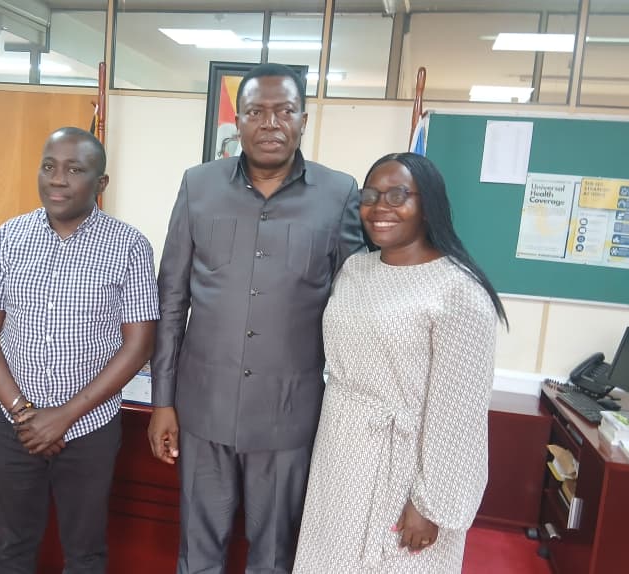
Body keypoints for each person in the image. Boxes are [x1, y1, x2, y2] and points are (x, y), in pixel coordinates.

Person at [148, 62, 366, 573]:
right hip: (203, 410)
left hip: (289, 416)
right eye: (257, 112)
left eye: (284, 110)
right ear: (239, 122)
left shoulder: (339, 195)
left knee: (273, 555)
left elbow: (355, 307)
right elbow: (171, 298)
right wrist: (163, 403)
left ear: (304, 120)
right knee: (197, 552)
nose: (271, 122)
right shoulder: (198, 186)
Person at [293, 152, 508, 573]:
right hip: (339, 452)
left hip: (403, 467)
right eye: (370, 195)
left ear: (428, 204)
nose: (380, 207)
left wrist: (433, 505)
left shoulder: (458, 293)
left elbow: (459, 415)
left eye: (397, 195)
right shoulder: (355, 268)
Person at [0, 127, 159, 574]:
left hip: (89, 429)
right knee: (11, 547)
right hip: (14, 427)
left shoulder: (128, 246)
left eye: (75, 170)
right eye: (49, 166)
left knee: (85, 553)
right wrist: (24, 413)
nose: (58, 179)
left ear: (101, 183)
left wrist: (63, 417)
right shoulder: (8, 238)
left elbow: (139, 345)